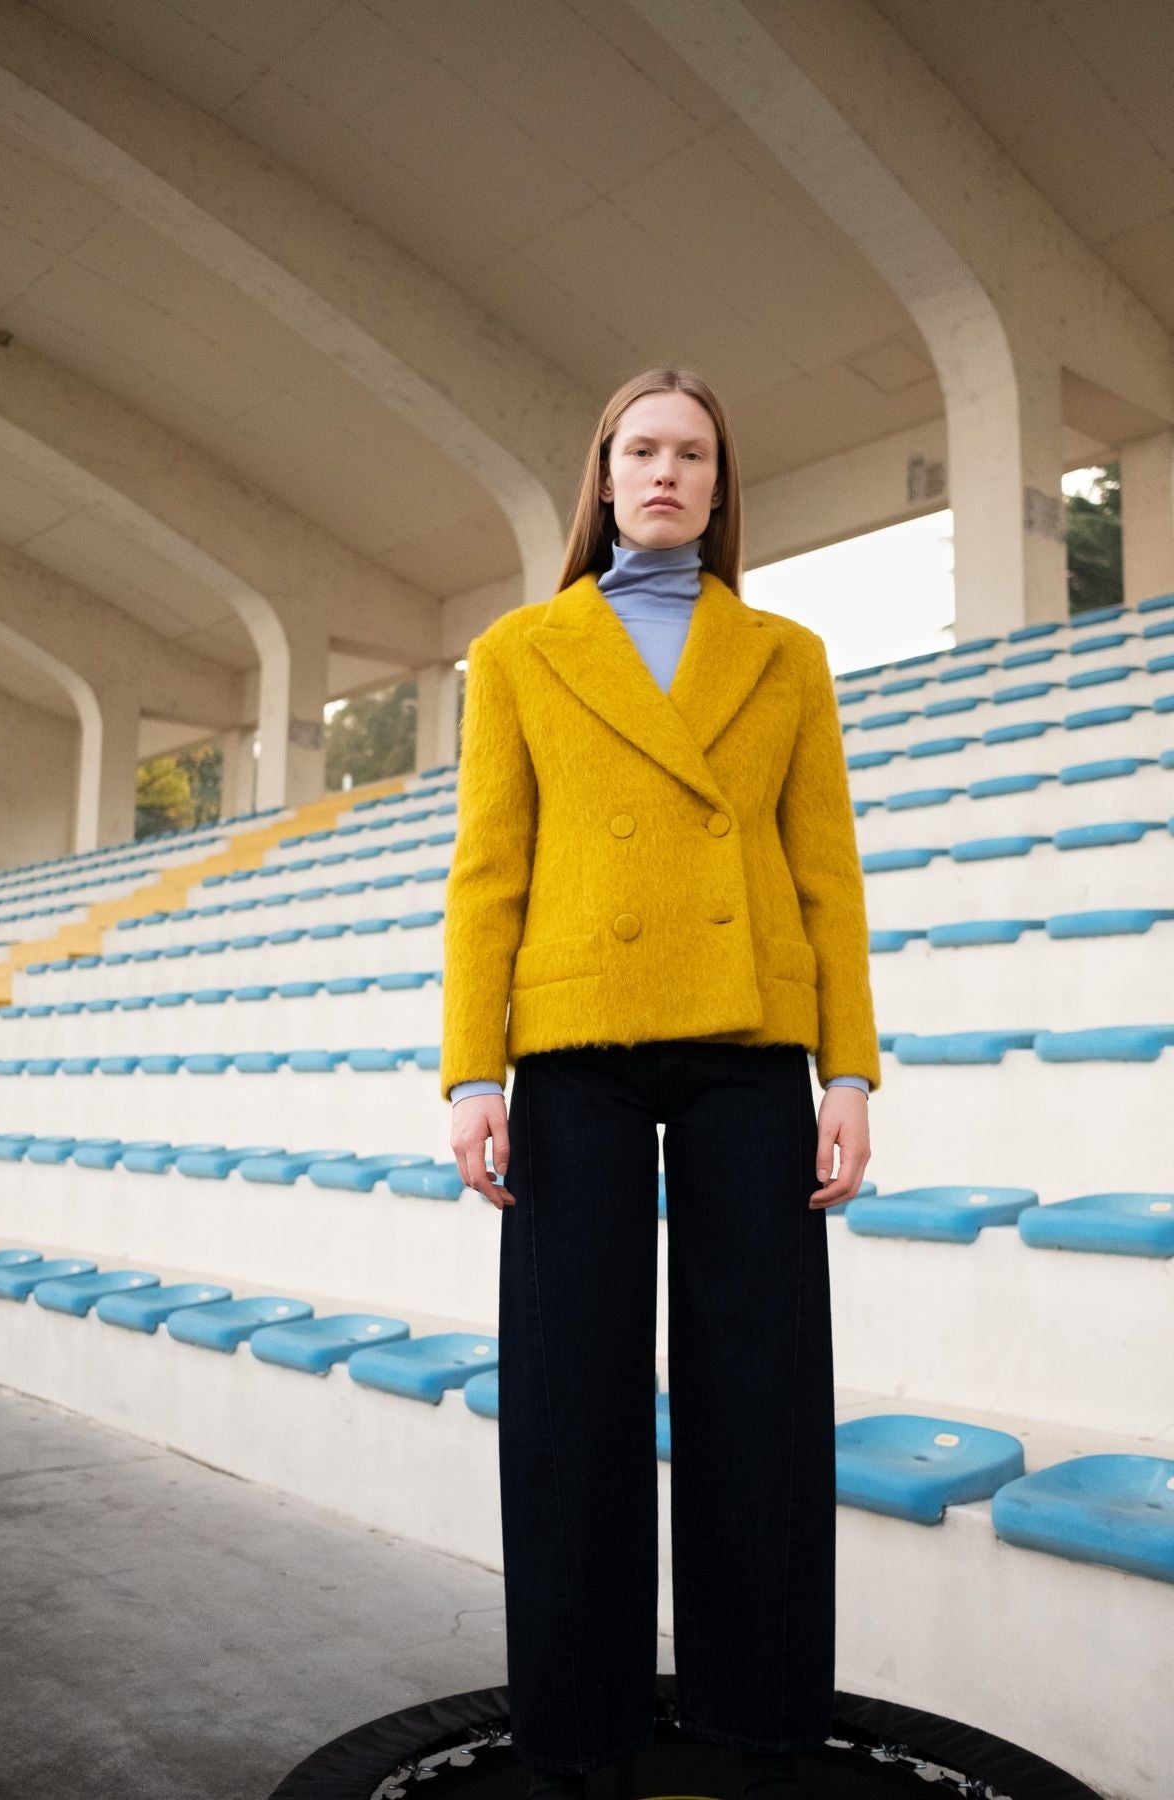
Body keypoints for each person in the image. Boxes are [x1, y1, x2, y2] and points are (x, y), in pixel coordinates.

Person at [442, 369, 880, 1800]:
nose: (668, 471)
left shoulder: (786, 654)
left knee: (764, 1388)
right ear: (606, 474)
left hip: (749, 1048)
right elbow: (487, 875)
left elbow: (827, 875)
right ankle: (577, 1723)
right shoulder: (520, 650)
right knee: (570, 1392)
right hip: (576, 1049)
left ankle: (764, 1716)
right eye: (643, 449)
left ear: (718, 481)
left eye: (693, 452)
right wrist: (473, 1070)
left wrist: (849, 1071)